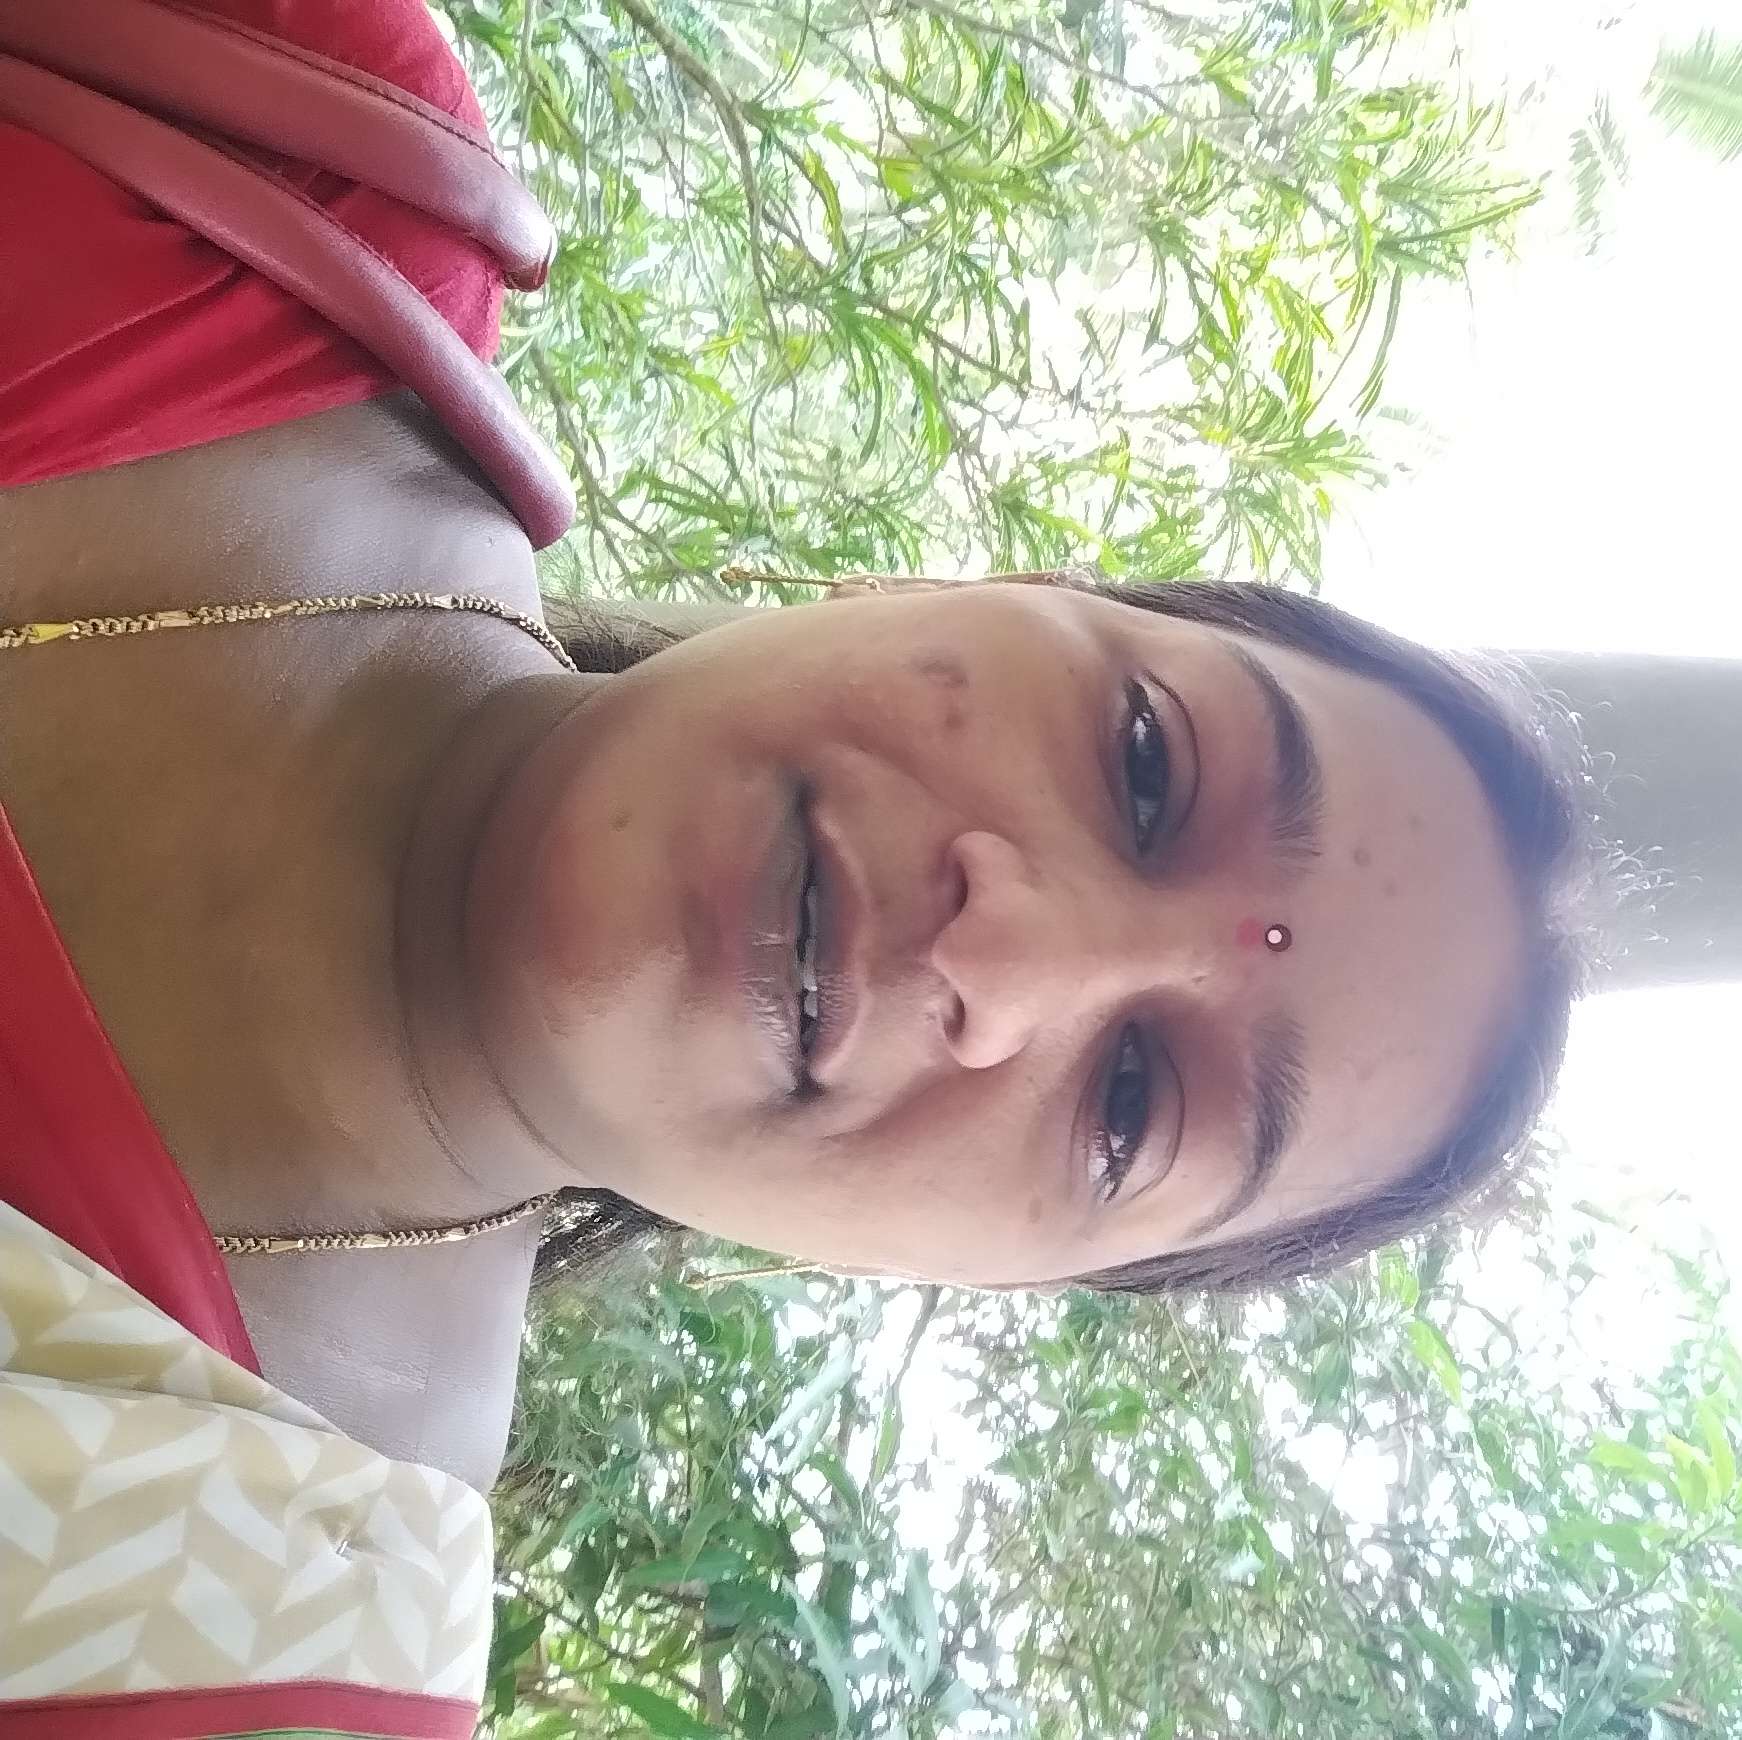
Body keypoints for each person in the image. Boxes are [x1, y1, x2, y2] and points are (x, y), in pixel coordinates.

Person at [0, 2, 1583, 1732]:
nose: (1007, 955)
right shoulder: (284, 131)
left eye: (1130, 1104)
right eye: (1146, 765)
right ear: (963, 586)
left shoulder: (250, 1650)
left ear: (981, 1279)